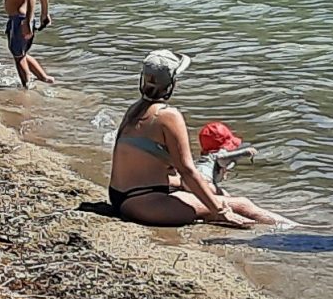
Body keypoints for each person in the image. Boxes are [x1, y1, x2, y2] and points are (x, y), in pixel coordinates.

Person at [107, 51, 282, 227]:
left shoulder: (134, 110)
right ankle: (295, 230)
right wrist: (220, 211)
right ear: (172, 83)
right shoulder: (168, 116)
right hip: (144, 202)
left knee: (217, 192)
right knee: (242, 205)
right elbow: (187, 170)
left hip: (122, 194)